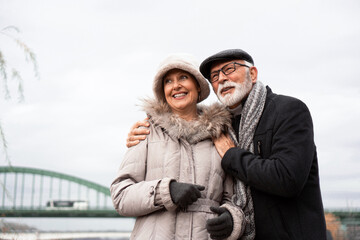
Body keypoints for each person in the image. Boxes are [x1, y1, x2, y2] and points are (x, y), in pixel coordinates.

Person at [126, 49, 327, 239]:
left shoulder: (288, 111)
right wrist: (166, 190)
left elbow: (287, 179)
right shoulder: (220, 127)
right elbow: (121, 193)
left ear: (253, 74)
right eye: (214, 76)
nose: (222, 78)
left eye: (230, 69)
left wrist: (233, 157)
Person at [110, 53, 251, 240]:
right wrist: (165, 191)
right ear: (163, 92)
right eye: (168, 81)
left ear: (198, 87)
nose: (176, 85)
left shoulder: (220, 135)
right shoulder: (146, 132)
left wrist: (231, 219)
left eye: (183, 77)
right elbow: (120, 196)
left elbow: (233, 198)